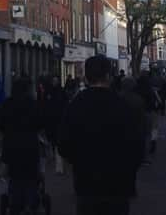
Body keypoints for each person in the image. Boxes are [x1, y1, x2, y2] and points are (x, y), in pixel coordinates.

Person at [58, 55, 143, 215]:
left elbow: (63, 143)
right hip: (118, 184)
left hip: (86, 183)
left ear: (86, 76)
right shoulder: (121, 105)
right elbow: (137, 144)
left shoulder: (76, 105)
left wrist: (78, 161)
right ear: (108, 76)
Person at [0, 77, 44, 215]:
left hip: (11, 147)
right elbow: (40, 123)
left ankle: (15, 203)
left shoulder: (7, 104)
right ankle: (31, 202)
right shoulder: (33, 104)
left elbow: (0, 124)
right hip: (30, 147)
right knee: (30, 177)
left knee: (14, 176)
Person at [44, 76, 68, 174]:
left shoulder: (61, 91)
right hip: (50, 119)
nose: (55, 82)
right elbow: (44, 103)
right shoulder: (48, 91)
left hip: (59, 118)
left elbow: (65, 104)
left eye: (56, 81)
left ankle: (58, 157)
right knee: (51, 136)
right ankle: (53, 153)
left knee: (57, 138)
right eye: (53, 81)